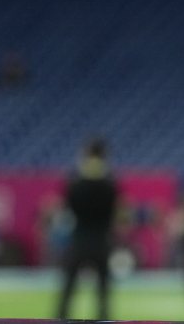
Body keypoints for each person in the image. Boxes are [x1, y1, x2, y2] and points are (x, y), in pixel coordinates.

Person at [56, 137, 119, 320]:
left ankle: (60, 320)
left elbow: (67, 210)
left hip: (80, 238)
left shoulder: (75, 183)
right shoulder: (110, 185)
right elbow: (117, 213)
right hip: (102, 240)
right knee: (103, 293)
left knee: (68, 291)